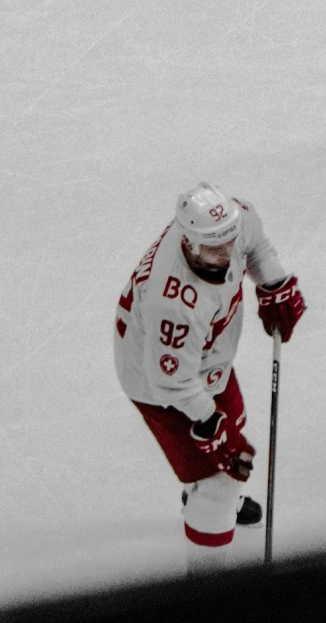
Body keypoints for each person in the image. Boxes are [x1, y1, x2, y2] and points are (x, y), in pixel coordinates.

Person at [114, 183, 306, 573]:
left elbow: (257, 249)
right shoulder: (174, 301)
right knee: (221, 475)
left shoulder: (233, 221)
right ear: (187, 239)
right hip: (158, 384)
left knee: (233, 425)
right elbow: (172, 382)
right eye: (211, 250)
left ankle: (208, 498)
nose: (223, 257)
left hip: (204, 355)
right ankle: (205, 588)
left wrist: (273, 283)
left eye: (227, 244)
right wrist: (208, 422)